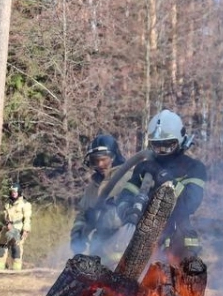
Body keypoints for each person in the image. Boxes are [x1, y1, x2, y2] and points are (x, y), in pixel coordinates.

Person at [117, 109, 207, 263]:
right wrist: (128, 210)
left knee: (183, 284)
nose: (162, 151)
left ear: (180, 140)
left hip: (180, 247)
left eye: (167, 145)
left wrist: (162, 175)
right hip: (145, 244)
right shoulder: (143, 168)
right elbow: (124, 197)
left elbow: (189, 203)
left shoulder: (194, 168)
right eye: (157, 146)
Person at [69, 134, 128, 266]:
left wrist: (105, 215)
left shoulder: (128, 178)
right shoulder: (93, 185)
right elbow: (83, 214)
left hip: (123, 249)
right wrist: (77, 234)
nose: (100, 164)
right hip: (99, 250)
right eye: (95, 161)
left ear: (114, 157)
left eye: (104, 160)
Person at [0, 183, 32, 270]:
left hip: (17, 229)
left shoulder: (25, 204)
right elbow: (2, 216)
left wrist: (26, 230)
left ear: (19, 192)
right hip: (6, 229)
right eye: (11, 192)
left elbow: (27, 219)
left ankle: (16, 269)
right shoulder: (7, 203)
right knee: (2, 247)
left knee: (16, 249)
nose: (13, 193)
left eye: (15, 191)